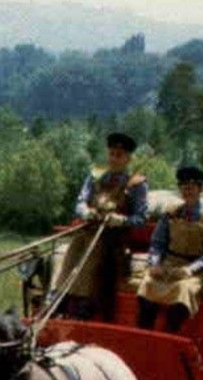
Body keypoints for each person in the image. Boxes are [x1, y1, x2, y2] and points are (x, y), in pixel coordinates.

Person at [53, 132, 149, 320]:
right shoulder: (95, 176)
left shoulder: (137, 184)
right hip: (87, 231)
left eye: (119, 155)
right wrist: (85, 212)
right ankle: (59, 297)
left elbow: (141, 218)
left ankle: (84, 303)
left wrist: (121, 220)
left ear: (128, 158)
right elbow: (80, 202)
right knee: (65, 253)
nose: (114, 159)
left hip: (113, 240)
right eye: (111, 154)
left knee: (94, 252)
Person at [136, 164, 203, 332]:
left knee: (183, 292)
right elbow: (157, 243)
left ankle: (171, 337)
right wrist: (154, 264)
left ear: (201, 189)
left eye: (192, 187)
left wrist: (190, 270)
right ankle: (144, 337)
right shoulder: (171, 212)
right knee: (147, 285)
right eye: (183, 187)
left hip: (195, 269)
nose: (187, 191)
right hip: (169, 264)